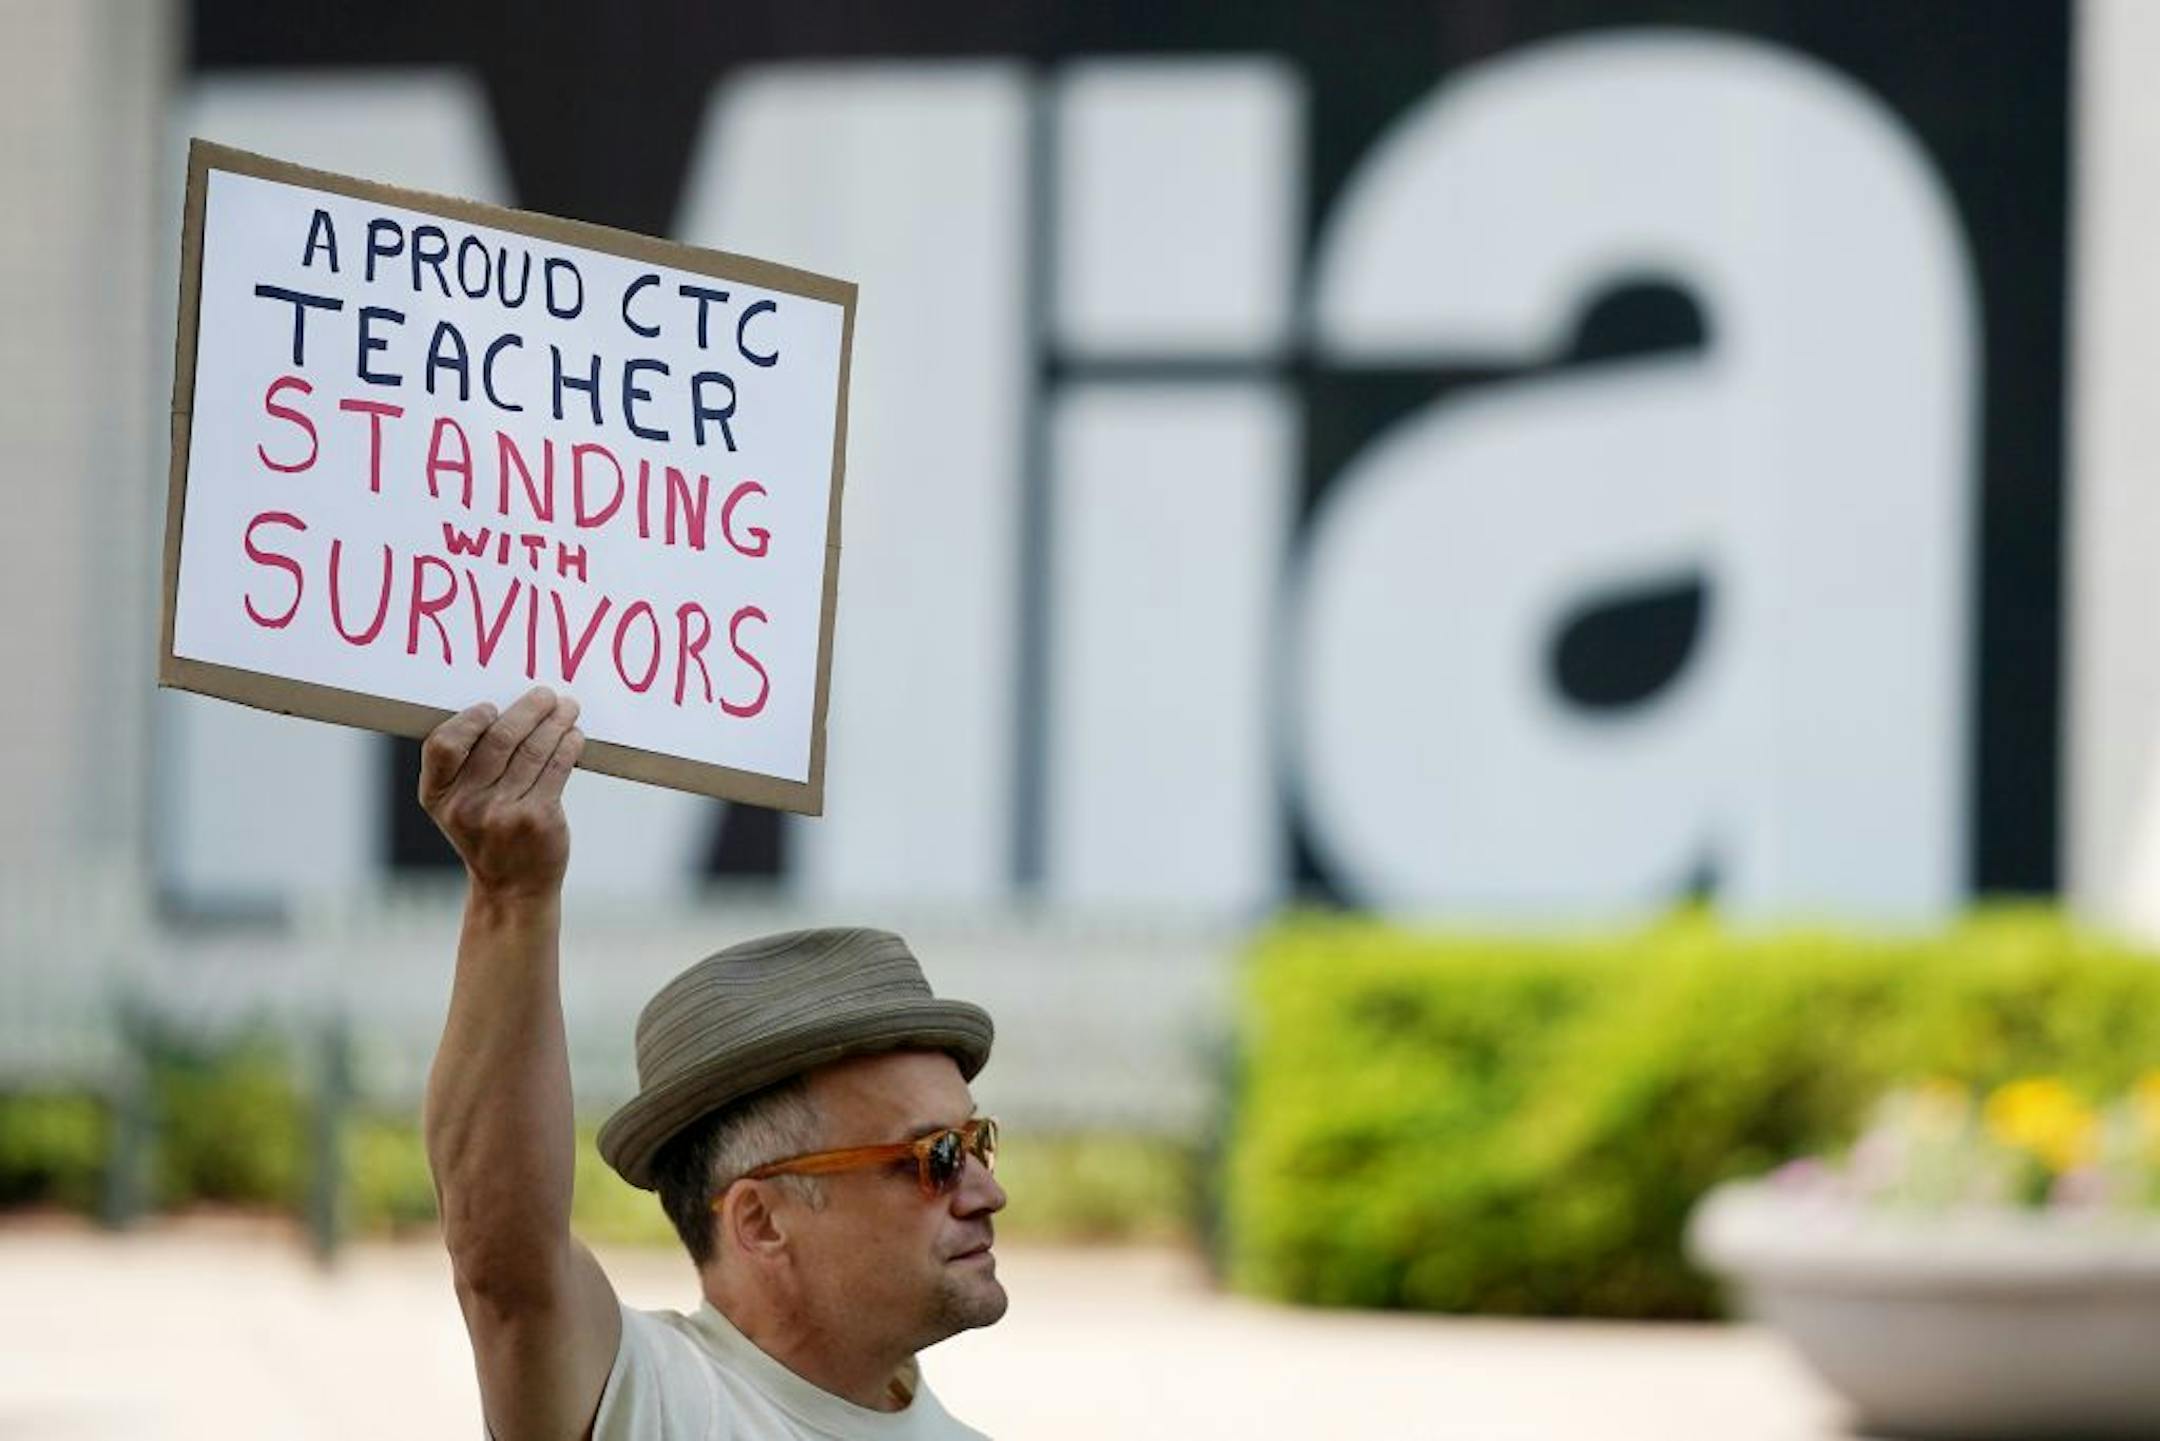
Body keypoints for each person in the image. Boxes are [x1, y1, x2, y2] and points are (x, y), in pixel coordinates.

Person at [418, 685, 1007, 1440]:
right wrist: (511, 894)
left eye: (978, 1141)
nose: (989, 1191)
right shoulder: (658, 1400)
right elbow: (506, 1265)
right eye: (938, 1155)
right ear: (760, 1220)